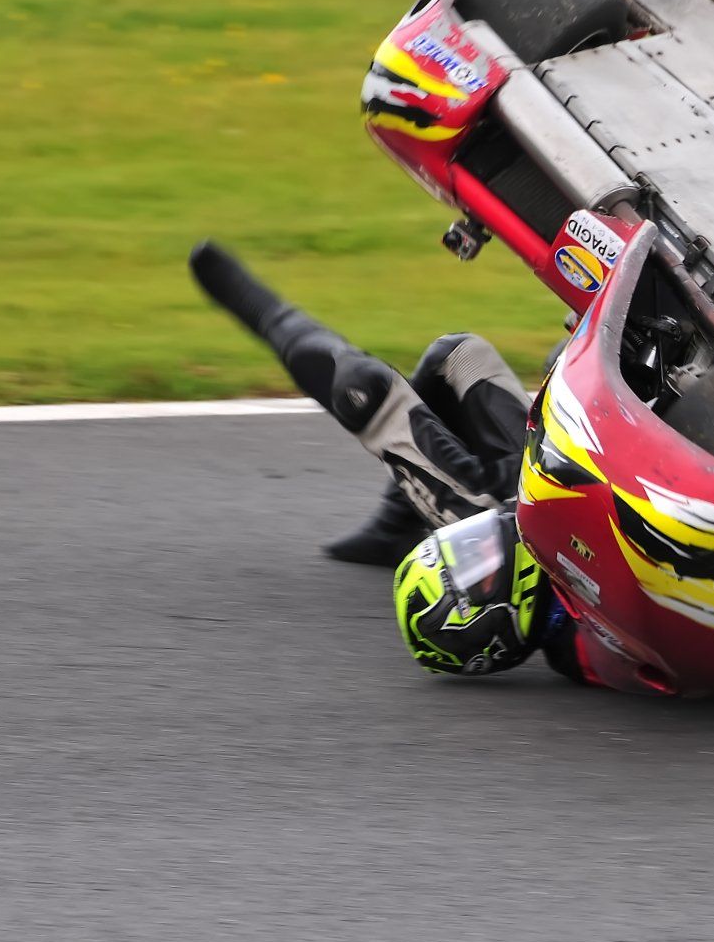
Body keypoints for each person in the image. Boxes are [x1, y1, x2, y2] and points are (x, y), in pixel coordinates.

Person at [188, 241, 591, 683]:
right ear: (501, 627)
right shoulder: (585, 645)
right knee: (544, 360)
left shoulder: (560, 613)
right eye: (476, 566)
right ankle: (398, 522)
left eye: (465, 551)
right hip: (564, 509)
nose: (480, 544)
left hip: (560, 482)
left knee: (446, 359)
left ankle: (395, 521)